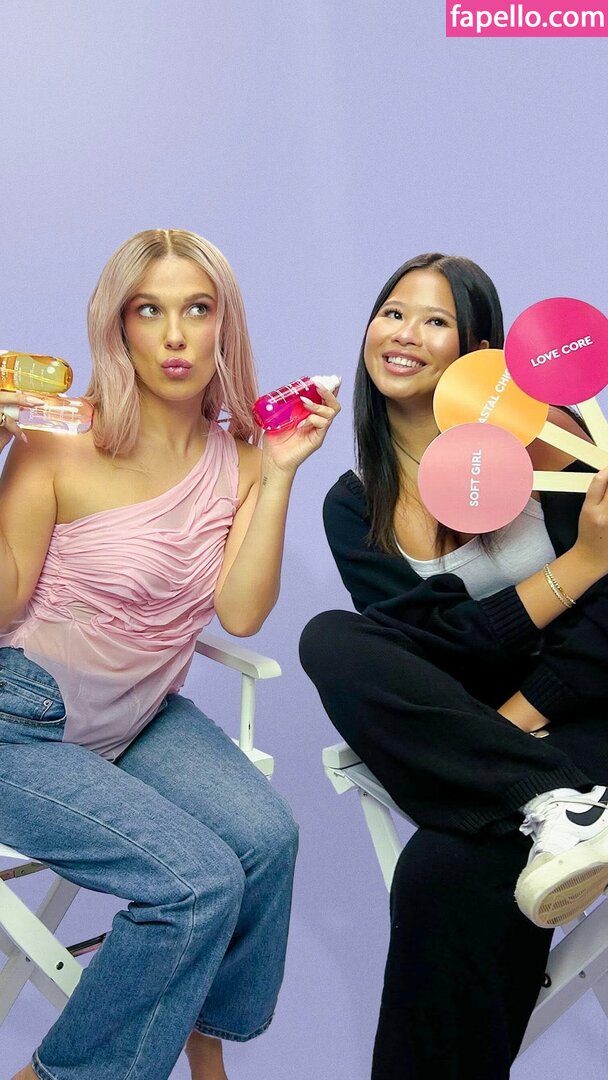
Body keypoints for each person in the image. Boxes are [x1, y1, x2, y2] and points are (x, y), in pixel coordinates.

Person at [0, 228, 340, 1080]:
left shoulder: (246, 458)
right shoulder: (54, 442)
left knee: (267, 841)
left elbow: (241, 612)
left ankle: (201, 1042)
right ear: (119, 327)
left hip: (138, 717)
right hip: (16, 723)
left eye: (198, 309)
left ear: (226, 323)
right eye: (149, 311)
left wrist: (282, 472)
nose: (177, 336)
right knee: (196, 883)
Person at [299, 252, 608, 1079]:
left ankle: (555, 803)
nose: (405, 334)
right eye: (393, 312)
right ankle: (553, 803)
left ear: (476, 350)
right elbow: (439, 648)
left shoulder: (555, 439)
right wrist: (579, 567)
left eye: (434, 320)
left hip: (582, 722)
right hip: (490, 754)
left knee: (442, 871)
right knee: (330, 638)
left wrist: (522, 711)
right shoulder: (354, 505)